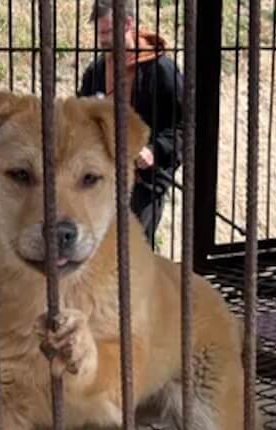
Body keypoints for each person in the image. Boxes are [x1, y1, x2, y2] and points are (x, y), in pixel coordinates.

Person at [79, 0, 183, 247]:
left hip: (144, 182)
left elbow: (183, 126)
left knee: (131, 249)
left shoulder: (162, 71)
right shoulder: (96, 72)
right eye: (100, 33)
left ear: (127, 24)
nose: (102, 40)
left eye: (107, 32)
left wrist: (154, 150)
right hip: (102, 179)